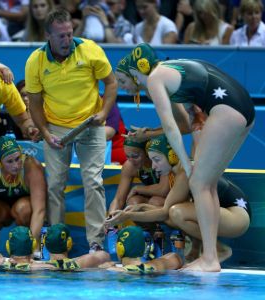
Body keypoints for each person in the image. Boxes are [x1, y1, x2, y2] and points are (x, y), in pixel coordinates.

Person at [105, 40, 255, 269]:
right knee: (207, 183)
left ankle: (210, 259)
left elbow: (171, 129)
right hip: (242, 107)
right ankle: (210, 254)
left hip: (226, 108)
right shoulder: (170, 72)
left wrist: (185, 162)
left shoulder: (155, 78)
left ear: (136, 71)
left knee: (199, 182)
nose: (123, 87)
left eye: (124, 81)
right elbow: (186, 123)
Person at [25, 8, 118, 253]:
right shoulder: (35, 61)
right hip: (56, 127)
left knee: (93, 182)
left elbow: (111, 82)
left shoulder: (90, 50)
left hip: (90, 124)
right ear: (48, 36)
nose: (67, 40)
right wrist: (45, 133)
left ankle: (96, 243)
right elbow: (34, 102)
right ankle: (57, 242)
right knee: (55, 184)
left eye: (69, 34)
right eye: (61, 36)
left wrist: (104, 113)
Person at [0, 136, 46, 260]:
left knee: (23, 209)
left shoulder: (32, 166)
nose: (16, 165)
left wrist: (30, 247)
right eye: (10, 161)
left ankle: (31, 245)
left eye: (18, 159)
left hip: (23, 209)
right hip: (1, 209)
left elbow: (40, 210)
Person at [107, 136, 170, 216]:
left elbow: (163, 190)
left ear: (147, 152)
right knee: (133, 203)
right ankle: (148, 228)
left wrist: (137, 189)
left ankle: (161, 228)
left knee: (155, 201)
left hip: (172, 199)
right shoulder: (129, 166)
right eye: (127, 156)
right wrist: (111, 219)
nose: (131, 161)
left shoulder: (162, 161)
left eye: (135, 156)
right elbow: (119, 199)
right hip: (153, 197)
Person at [103, 225, 183, 274]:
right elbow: (175, 257)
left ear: (120, 248)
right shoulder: (155, 265)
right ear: (144, 247)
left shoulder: (113, 270)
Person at [44, 223, 110, 270]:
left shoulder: (39, 266)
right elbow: (105, 255)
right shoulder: (81, 263)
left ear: (45, 243)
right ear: (69, 242)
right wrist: (77, 259)